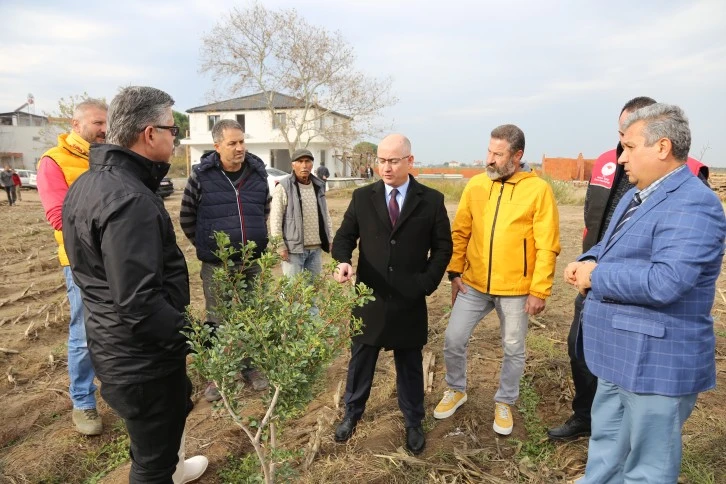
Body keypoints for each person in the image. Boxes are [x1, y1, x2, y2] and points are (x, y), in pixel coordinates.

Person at [566, 103, 725, 484]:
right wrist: (587, 259)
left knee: (647, 467)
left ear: (662, 147)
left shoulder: (694, 203)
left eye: (629, 147)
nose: (620, 158)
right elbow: (612, 245)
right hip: (617, 355)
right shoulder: (638, 194)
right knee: (607, 445)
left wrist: (597, 275)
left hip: (656, 362)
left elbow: (666, 282)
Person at [62, 86, 208, 483]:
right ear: (148, 134)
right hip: (140, 359)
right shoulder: (130, 200)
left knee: (151, 444)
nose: (174, 137)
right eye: (171, 129)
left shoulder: (89, 185)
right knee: (152, 466)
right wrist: (203, 334)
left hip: (116, 346)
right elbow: (139, 305)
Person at [434, 124, 561, 436]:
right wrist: (454, 273)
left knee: (514, 347)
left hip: (516, 290)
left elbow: (548, 244)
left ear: (516, 156)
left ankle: (505, 400)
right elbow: (461, 231)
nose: (489, 159)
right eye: (488, 151)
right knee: (453, 338)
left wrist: (539, 290)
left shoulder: (538, 190)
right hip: (473, 285)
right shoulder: (476, 186)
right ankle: (457, 389)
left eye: (497, 154)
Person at [332, 134, 452, 454]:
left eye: (393, 160)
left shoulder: (431, 200)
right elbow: (344, 237)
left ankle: (413, 421)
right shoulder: (362, 198)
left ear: (410, 161)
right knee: (361, 360)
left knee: (410, 364)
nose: (385, 167)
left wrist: (425, 283)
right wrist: (343, 261)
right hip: (369, 297)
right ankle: (352, 413)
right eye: (381, 160)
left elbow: (443, 248)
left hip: (409, 299)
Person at [180, 118, 270, 400]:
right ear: (218, 145)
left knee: (252, 315)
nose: (239, 147)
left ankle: (251, 367)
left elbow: (263, 210)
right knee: (218, 319)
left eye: (242, 141)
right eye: (232, 143)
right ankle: (219, 375)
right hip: (217, 264)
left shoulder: (257, 175)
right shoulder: (201, 176)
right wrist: (209, 246)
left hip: (251, 261)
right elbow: (187, 217)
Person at [37, 99, 107, 436]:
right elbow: (58, 216)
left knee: (116, 326)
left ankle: (118, 390)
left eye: (106, 123)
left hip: (116, 258)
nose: (104, 129)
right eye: (97, 123)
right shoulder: (54, 161)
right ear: (75, 124)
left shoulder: (107, 157)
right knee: (83, 333)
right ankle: (83, 401)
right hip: (81, 262)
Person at [270, 148, 332, 277]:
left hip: (315, 249)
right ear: (293, 165)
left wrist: (329, 237)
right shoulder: (283, 187)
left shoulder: (318, 186)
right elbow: (275, 219)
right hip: (293, 250)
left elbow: (326, 215)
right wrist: (280, 245)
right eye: (300, 161)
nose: (304, 165)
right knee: (291, 291)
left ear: (312, 164)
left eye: (307, 161)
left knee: (313, 290)